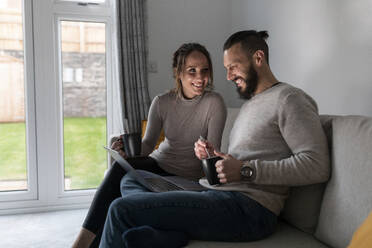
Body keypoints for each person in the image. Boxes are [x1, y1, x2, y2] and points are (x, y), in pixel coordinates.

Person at [98, 30, 330, 248]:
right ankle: (170, 235)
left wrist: (246, 170)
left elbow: (317, 165)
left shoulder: (290, 99)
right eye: (226, 69)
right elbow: (242, 162)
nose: (228, 76)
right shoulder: (252, 104)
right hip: (220, 194)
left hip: (249, 210)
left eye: (233, 67)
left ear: (258, 58)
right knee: (130, 180)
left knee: (121, 210)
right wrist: (214, 157)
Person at [72, 43, 227, 248]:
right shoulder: (162, 102)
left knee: (127, 193)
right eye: (192, 71)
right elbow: (147, 146)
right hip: (157, 164)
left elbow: (212, 155)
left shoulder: (214, 103)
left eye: (205, 70)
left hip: (187, 178)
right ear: (178, 73)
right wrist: (126, 151)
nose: (200, 77)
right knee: (121, 171)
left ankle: (163, 233)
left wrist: (205, 152)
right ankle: (82, 243)